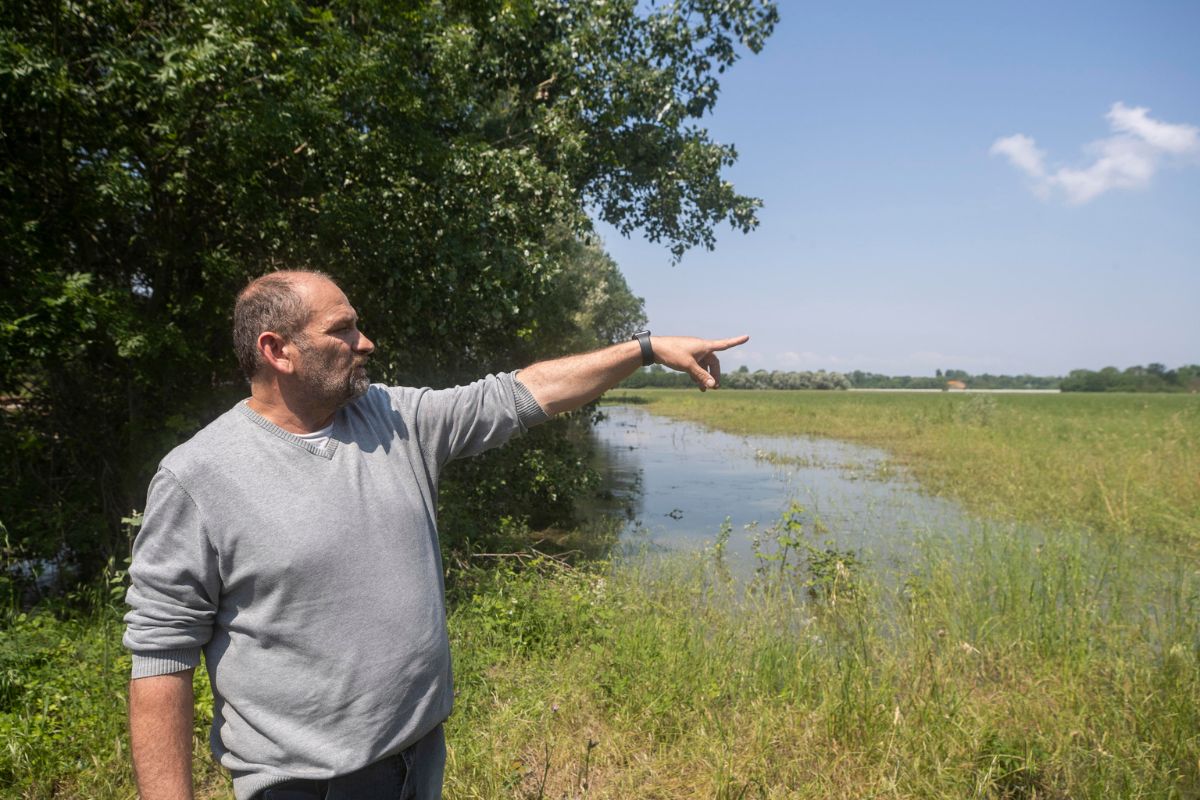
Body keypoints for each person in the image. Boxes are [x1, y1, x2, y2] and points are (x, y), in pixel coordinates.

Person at [123, 269, 748, 800]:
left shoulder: (394, 418)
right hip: (306, 784)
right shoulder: (198, 477)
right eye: (341, 331)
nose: (365, 342)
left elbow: (519, 395)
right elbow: (161, 658)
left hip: (418, 760)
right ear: (277, 351)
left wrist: (642, 348)